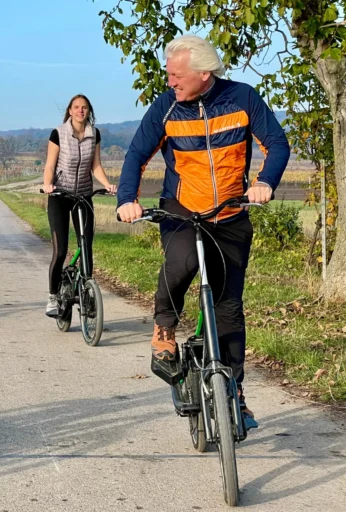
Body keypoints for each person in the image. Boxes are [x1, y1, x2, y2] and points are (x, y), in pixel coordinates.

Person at [116, 35, 290, 420]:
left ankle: (235, 393)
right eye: (168, 75)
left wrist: (265, 183)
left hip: (229, 213)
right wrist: (127, 199)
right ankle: (164, 328)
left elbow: (277, 144)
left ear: (204, 72)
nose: (170, 82)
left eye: (176, 75)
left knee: (229, 307)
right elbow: (137, 155)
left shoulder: (243, 98)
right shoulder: (165, 108)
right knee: (179, 266)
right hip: (182, 210)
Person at [42, 94, 117, 317]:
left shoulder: (94, 134)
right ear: (70, 110)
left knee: (86, 247)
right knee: (61, 250)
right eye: (76, 107)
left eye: (84, 107)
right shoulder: (59, 134)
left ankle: (87, 295)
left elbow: (96, 166)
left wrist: (107, 184)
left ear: (89, 111)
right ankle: (53, 297)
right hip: (60, 195)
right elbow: (50, 165)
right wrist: (48, 185)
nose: (80, 111)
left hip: (83, 196)